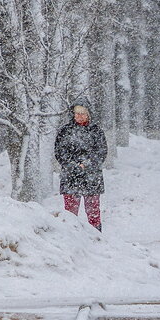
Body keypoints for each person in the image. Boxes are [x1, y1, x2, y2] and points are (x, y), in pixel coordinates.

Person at [54, 98, 108, 231]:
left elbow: (101, 152)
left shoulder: (96, 131)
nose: (79, 116)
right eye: (77, 113)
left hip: (92, 177)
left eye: (83, 113)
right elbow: (60, 152)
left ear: (89, 113)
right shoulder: (65, 131)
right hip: (71, 177)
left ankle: (96, 237)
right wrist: (72, 165)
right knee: (70, 214)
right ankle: (72, 237)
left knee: (93, 211)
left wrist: (87, 164)